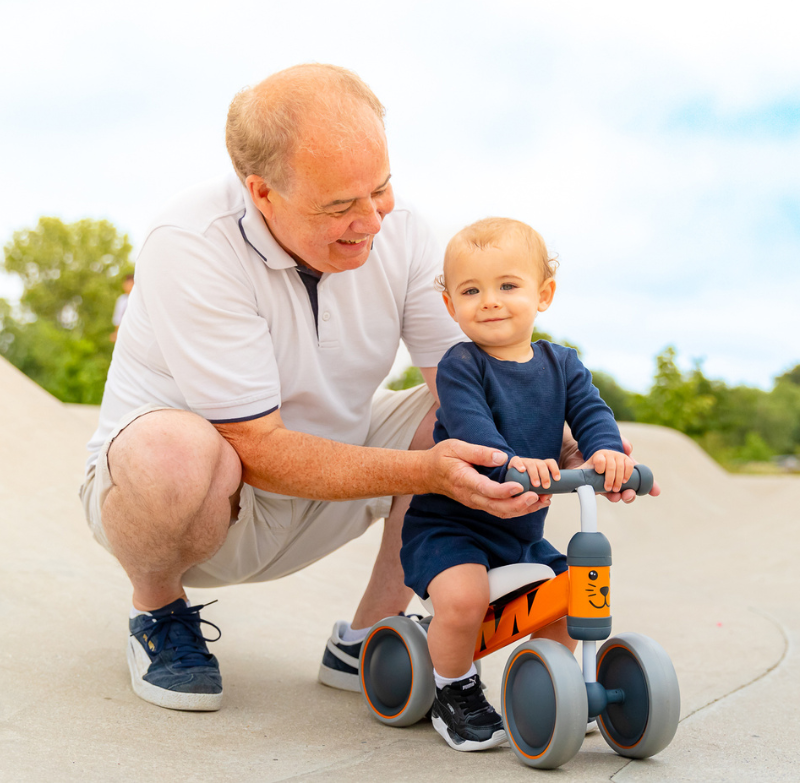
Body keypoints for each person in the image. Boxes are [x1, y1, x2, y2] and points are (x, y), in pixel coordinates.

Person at [80, 64, 652, 714]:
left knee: (456, 411)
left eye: (379, 188)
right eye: (339, 206)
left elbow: (476, 383)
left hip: (334, 470)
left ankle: (370, 641)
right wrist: (428, 472)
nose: (371, 221)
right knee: (174, 450)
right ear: (262, 193)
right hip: (200, 500)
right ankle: (158, 612)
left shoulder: (403, 230)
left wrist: (579, 446)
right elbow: (258, 447)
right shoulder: (191, 245)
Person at [400, 217, 635, 752]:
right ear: (449, 305)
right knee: (463, 600)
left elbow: (591, 413)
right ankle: (453, 691)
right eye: (470, 290)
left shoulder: (563, 364)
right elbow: (470, 427)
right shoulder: (462, 365)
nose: (489, 301)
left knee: (571, 597)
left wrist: (605, 451)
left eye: (507, 285)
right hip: (451, 528)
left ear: (543, 294)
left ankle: (550, 687)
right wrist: (510, 461)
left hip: (520, 534)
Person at [109, 274, 134, 342]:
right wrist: (117, 333)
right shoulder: (122, 300)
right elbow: (117, 320)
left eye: (130, 284)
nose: (128, 286)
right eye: (126, 284)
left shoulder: (138, 300)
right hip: (124, 332)